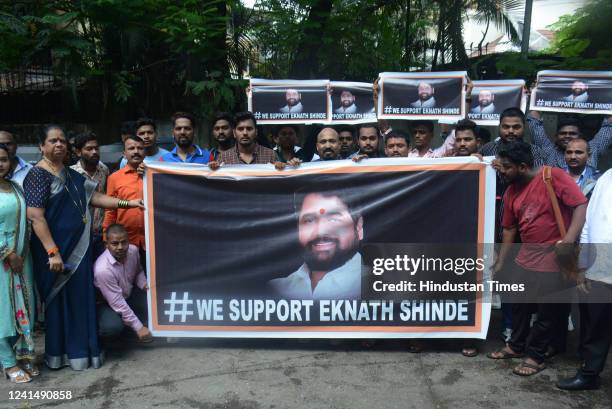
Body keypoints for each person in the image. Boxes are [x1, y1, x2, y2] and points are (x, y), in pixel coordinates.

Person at [24, 125, 143, 371]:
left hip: (80, 248)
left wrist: (129, 203)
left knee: (80, 300)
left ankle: (82, 352)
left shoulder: (72, 175)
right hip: (56, 253)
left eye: (62, 141)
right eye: (53, 141)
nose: (59, 145)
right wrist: (52, 252)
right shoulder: (37, 175)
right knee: (60, 304)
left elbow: (96, 198)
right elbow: (36, 217)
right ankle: (59, 354)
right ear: (41, 146)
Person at [487, 141, 587, 377]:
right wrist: (501, 260)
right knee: (519, 307)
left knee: (546, 314)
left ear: (522, 167)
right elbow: (510, 228)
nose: (501, 171)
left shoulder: (552, 176)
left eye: (506, 167)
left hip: (554, 258)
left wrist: (568, 240)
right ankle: (516, 346)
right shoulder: (512, 190)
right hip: (525, 259)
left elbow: (581, 205)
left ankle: (536, 356)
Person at [557, 169, 612, 390]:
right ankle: (590, 373)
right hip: (599, 265)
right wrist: (583, 265)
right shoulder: (607, 176)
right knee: (594, 321)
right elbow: (589, 223)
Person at [269, 187, 363, 299]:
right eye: (309, 220)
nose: (320, 232)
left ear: (358, 228)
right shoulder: (275, 290)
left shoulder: (379, 286)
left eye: (333, 219)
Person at [0, 143, 36, 383]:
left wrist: (20, 255)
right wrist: (7, 253)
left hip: (23, 261)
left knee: (23, 308)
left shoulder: (14, 186)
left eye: (3, 159)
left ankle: (21, 354)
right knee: (3, 312)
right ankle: (7, 362)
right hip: (3, 263)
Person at [94, 224, 151, 342]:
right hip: (106, 303)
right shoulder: (102, 269)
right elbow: (117, 303)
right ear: (107, 245)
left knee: (153, 305)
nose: (120, 247)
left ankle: (130, 327)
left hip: (127, 295)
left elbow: (138, 271)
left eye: (124, 242)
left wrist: (145, 285)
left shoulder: (133, 251)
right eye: (115, 243)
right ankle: (105, 342)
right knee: (112, 327)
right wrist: (139, 328)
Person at [527, 111, 612, 171]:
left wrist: (605, 94)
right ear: (556, 137)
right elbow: (535, 124)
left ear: (580, 136)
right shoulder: (549, 150)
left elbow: (608, 126)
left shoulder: (591, 148)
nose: (567, 136)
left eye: (572, 133)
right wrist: (536, 95)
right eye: (563, 133)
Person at [70, 132, 110, 258]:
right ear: (78, 152)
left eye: (96, 148)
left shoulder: (104, 170)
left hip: (101, 234)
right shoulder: (71, 174)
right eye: (89, 149)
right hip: (80, 236)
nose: (94, 152)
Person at [103, 136, 146, 253]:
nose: (136, 151)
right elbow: (110, 210)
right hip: (125, 242)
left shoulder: (153, 175)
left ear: (145, 152)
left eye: (140, 148)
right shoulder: (114, 178)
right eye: (131, 148)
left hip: (151, 240)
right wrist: (106, 237)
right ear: (124, 154)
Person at [213, 112, 277, 166]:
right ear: (234, 133)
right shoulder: (224, 157)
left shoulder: (270, 155)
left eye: (249, 129)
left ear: (256, 132)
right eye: (240, 129)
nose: (245, 133)